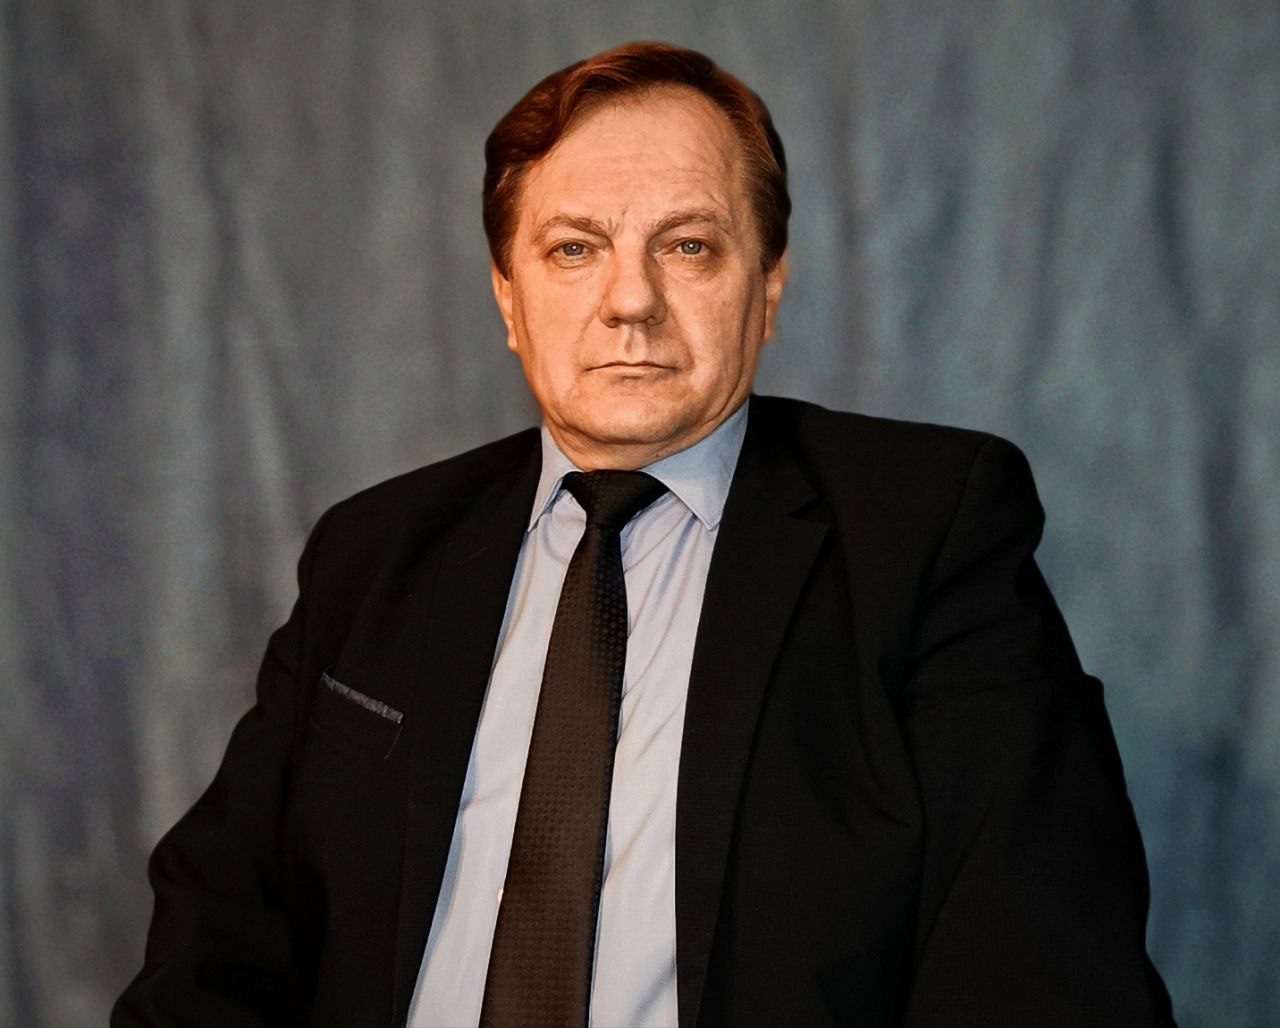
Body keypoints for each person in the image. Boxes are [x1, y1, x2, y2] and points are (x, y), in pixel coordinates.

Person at [114, 41, 1174, 1027]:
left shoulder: (925, 534)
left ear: (768, 287)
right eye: (573, 248)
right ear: (507, 297)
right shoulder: (374, 551)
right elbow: (218, 929)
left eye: (689, 246)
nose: (632, 300)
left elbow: (1040, 967)